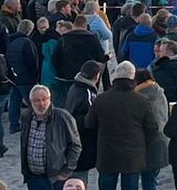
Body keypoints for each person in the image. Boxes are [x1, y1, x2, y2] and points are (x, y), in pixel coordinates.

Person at [85, 61, 159, 190]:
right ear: (133, 78)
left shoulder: (101, 99)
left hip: (107, 154)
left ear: (115, 77)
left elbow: (89, 123)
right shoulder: (141, 101)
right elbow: (152, 128)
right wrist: (142, 145)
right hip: (133, 156)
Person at [19, 85, 82, 190]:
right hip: (33, 177)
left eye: (44, 99)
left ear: (50, 98)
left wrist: (66, 171)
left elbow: (75, 146)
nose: (42, 104)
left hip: (55, 178)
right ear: (30, 102)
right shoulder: (26, 117)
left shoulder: (63, 117)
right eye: (37, 101)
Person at [64, 60, 102, 182]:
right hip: (82, 141)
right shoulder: (87, 92)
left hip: (73, 136)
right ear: (96, 76)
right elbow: (91, 118)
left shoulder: (74, 87)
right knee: (79, 177)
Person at [134, 68, 168, 190]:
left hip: (143, 143)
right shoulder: (160, 93)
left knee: (141, 179)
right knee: (151, 180)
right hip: (160, 142)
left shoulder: (138, 98)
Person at [8, 20, 40, 135]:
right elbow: (31, 61)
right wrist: (36, 75)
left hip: (14, 75)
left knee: (14, 101)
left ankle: (14, 124)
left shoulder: (11, 41)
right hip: (26, 77)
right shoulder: (27, 43)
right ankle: (35, 122)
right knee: (32, 102)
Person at [150, 39, 177, 103]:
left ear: (169, 53)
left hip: (165, 102)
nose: (159, 54)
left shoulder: (162, 69)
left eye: (161, 51)